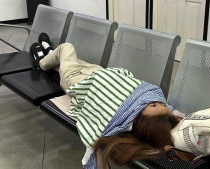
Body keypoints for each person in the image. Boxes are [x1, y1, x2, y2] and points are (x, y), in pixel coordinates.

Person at [30, 33, 185, 169]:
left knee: (67, 47)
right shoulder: (155, 112)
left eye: (153, 105)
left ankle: (42, 62)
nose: (156, 101)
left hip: (77, 79)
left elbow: (96, 130)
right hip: (100, 74)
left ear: (138, 119)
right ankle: (50, 53)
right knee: (73, 60)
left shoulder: (119, 117)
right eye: (161, 104)